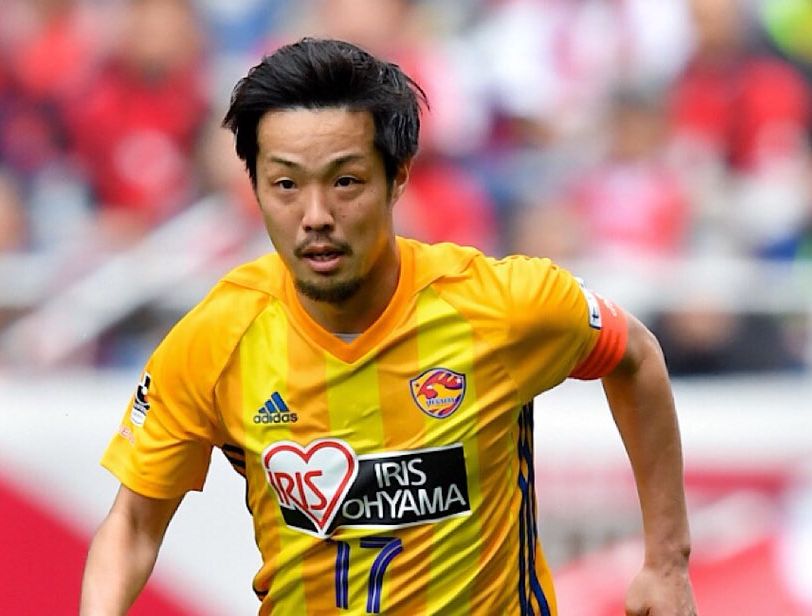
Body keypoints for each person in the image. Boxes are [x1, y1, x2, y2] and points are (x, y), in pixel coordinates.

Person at [81, 38, 697, 615]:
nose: (315, 216)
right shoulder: (217, 336)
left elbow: (635, 354)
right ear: (256, 187)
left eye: (345, 182)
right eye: (286, 184)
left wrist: (667, 562)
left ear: (397, 177)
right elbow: (131, 525)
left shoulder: (501, 306)